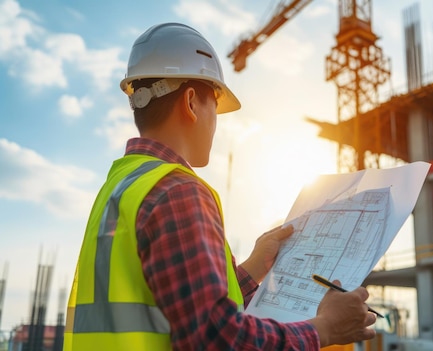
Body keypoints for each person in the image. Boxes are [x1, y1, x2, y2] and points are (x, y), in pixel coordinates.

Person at [63, 22, 376, 350]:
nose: (217, 122)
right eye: (215, 104)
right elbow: (217, 339)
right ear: (190, 103)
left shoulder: (121, 187)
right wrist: (323, 329)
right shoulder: (178, 191)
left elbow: (182, 307)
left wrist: (253, 268)